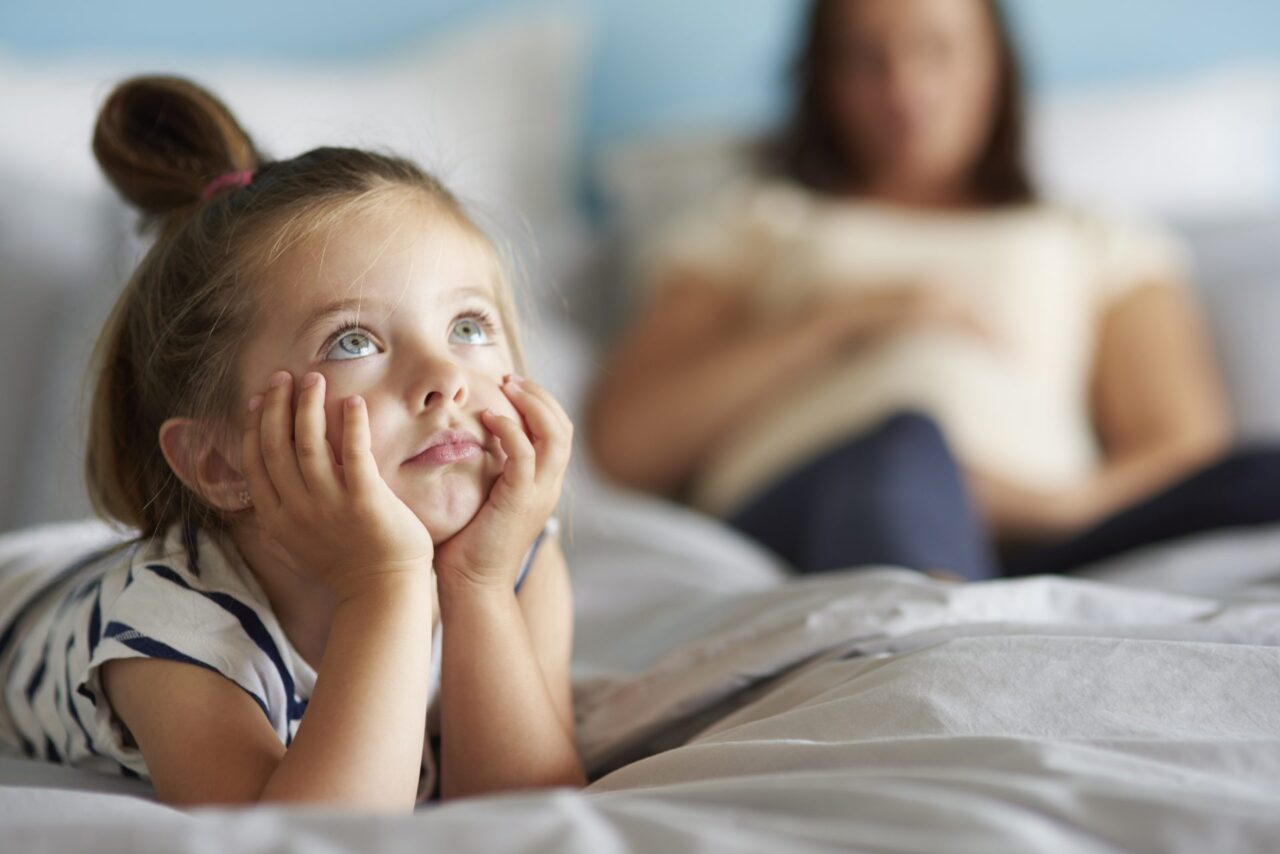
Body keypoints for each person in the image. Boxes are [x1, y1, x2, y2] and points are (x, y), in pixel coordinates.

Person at [0, 76, 583, 810]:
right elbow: (316, 837)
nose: (446, 378)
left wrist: (479, 587)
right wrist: (388, 584)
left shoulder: (517, 558)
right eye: (354, 340)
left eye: (468, 327)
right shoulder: (176, 623)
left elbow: (530, 814)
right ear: (220, 460)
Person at [588, 0, 1279, 580]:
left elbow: (1182, 451)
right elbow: (627, 442)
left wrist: (1048, 506)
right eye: (866, 59)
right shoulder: (757, 224)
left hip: (1038, 538)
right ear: (823, 80)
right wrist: (849, 319)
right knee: (907, 450)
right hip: (809, 514)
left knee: (1261, 473)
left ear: (993, 68)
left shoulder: (1089, 235)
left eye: (938, 51)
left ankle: (959, 613)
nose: (904, 87)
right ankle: (938, 653)